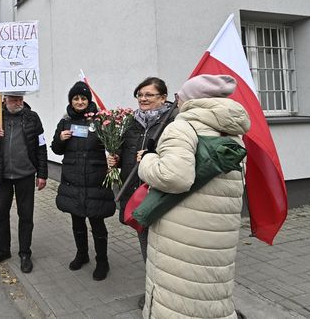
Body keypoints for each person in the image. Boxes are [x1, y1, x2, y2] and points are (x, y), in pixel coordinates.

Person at [138, 74, 250, 318]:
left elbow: (175, 177)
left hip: (182, 229)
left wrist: (148, 160)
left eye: (179, 96)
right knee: (210, 289)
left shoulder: (183, 127)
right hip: (218, 231)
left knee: (179, 296)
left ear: (190, 99)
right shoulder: (232, 132)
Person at [107, 77, 176, 305]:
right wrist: (115, 161)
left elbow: (178, 160)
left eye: (149, 95)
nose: (143, 99)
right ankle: (154, 291)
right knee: (146, 245)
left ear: (163, 98)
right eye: (140, 95)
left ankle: (166, 294)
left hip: (159, 195)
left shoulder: (173, 122)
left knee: (165, 250)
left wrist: (151, 158)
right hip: (136, 195)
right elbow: (128, 155)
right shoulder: (131, 122)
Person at [51, 81, 115, 280]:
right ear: (71, 100)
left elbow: (113, 146)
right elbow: (55, 149)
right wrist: (61, 138)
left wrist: (114, 157)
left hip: (95, 180)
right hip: (73, 180)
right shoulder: (65, 122)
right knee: (77, 221)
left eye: (83, 98)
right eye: (76, 98)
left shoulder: (100, 121)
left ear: (89, 100)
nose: (80, 102)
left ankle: (102, 261)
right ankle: (82, 254)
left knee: (97, 223)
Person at [0, 92, 48, 273]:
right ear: (4, 100)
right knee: (1, 215)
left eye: (20, 99)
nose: (18, 102)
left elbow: (41, 147)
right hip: (2, 176)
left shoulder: (32, 118)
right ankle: (3, 251)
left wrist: (43, 174)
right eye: (13, 99)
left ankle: (25, 253)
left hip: (25, 174)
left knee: (26, 216)